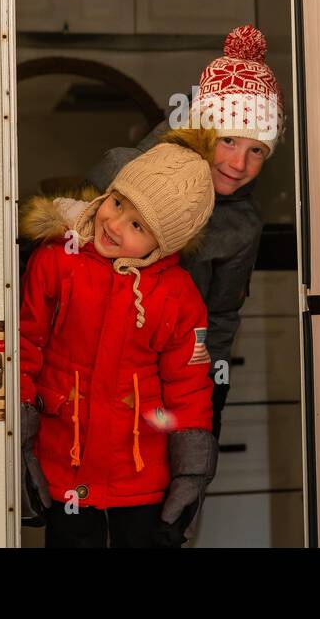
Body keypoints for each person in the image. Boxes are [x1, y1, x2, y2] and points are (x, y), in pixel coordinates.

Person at [18, 125, 220, 547]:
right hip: (65, 462)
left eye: (136, 225)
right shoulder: (57, 261)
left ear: (162, 245)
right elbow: (26, 345)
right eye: (116, 202)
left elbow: (189, 383)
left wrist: (191, 470)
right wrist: (18, 435)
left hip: (140, 471)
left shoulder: (177, 295)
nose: (113, 223)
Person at [81, 25, 284, 438]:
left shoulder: (242, 224)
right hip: (87, 362)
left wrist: (212, 399)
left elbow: (222, 316)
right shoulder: (123, 170)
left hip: (169, 383)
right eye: (227, 140)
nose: (238, 164)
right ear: (201, 129)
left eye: (256, 150)